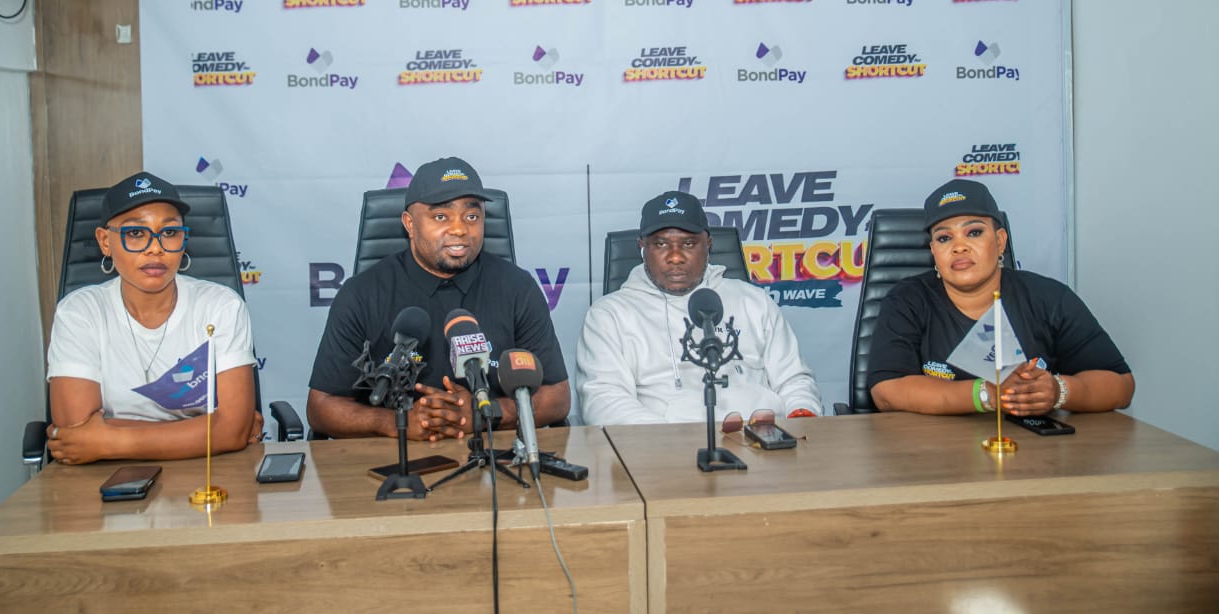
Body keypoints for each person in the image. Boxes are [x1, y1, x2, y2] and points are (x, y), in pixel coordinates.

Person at [306, 157, 570, 440]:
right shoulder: (362, 294)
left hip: (493, 455)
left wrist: (486, 413)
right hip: (393, 456)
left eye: (472, 216)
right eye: (441, 217)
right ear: (409, 224)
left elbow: (557, 397)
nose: (459, 229)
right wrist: (397, 423)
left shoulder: (518, 288)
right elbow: (321, 407)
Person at [868, 179, 1134, 416]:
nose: (959, 246)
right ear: (933, 251)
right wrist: (987, 394)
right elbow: (886, 391)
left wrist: (1058, 391)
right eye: (944, 238)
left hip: (1030, 447)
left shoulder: (1050, 298)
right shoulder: (907, 301)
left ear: (1000, 241)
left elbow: (1121, 385)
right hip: (934, 449)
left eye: (974, 232)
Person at [46, 171, 260, 464]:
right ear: (105, 242)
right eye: (136, 233)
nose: (156, 248)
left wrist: (110, 440)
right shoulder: (79, 312)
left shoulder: (221, 306)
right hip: (105, 475)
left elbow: (232, 431)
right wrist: (208, 430)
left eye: (169, 233)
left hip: (209, 473)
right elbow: (75, 433)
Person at [576, 190, 822, 424]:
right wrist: (673, 440)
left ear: (709, 245)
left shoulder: (753, 301)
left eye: (688, 244)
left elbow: (794, 379)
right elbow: (603, 400)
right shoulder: (609, 315)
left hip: (763, 438)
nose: (675, 257)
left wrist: (801, 416)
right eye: (661, 244)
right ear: (642, 248)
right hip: (662, 445)